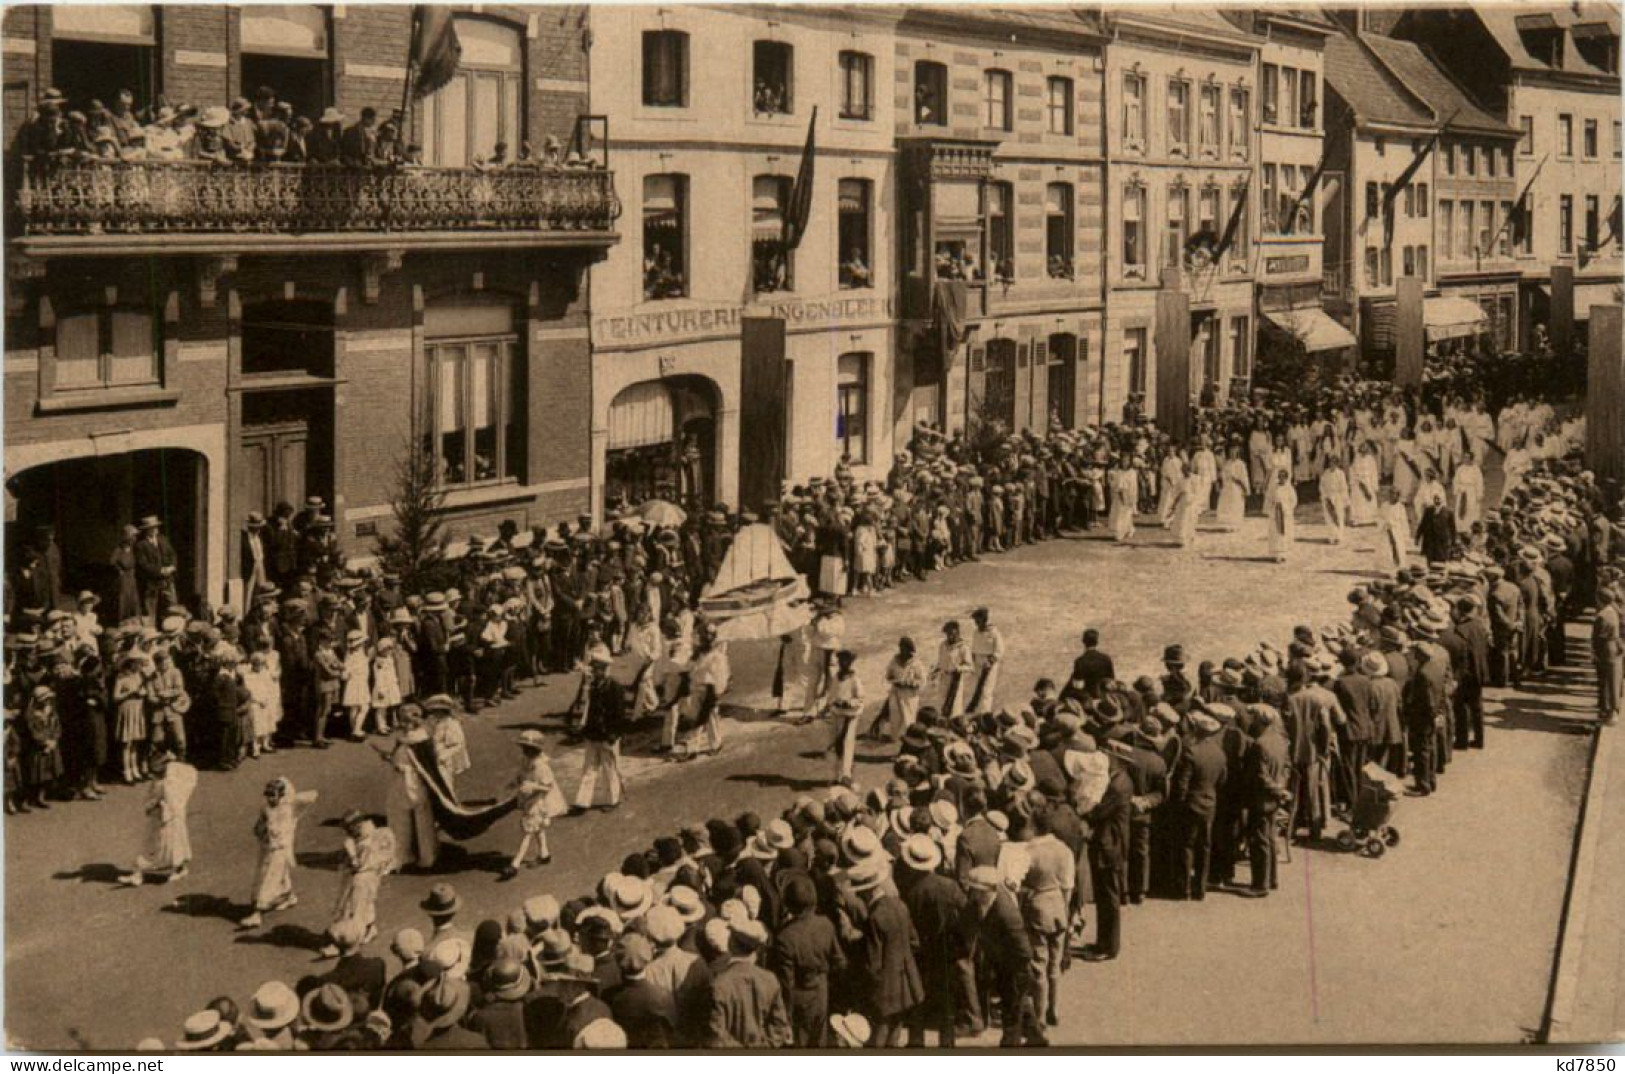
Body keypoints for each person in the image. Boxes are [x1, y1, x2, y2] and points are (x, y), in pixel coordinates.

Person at [961, 865, 1045, 1047]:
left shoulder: (1005, 913)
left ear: (984, 891)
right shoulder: (986, 902)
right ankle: (1038, 1039)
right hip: (1004, 966)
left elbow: (1024, 952)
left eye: (974, 889)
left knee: (1011, 1015)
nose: (971, 893)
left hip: (1015, 970)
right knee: (1019, 1004)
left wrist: (1012, 974)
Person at [240, 777, 318, 928]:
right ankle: (287, 896)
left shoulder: (287, 809)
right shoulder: (265, 807)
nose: (269, 798)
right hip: (267, 847)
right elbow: (261, 821)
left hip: (279, 850)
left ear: (281, 796)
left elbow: (309, 797)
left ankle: (257, 913)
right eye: (267, 794)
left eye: (273, 795)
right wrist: (258, 829)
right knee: (277, 875)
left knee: (268, 878)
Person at [323, 810, 397, 956]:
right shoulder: (376, 834)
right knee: (365, 904)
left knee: (352, 908)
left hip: (361, 878)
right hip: (369, 877)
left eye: (348, 828)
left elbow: (357, 864)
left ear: (356, 826)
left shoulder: (364, 843)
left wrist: (350, 851)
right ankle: (369, 928)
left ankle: (347, 940)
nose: (346, 831)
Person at [118, 750, 197, 886]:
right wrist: (150, 806)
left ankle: (179, 868)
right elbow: (151, 797)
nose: (155, 772)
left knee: (172, 846)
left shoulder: (171, 781)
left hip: (169, 820)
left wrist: (162, 806)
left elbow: (176, 801)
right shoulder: (158, 782)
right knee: (148, 846)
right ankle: (137, 874)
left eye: (157, 769)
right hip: (157, 818)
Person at [503, 730, 565, 880]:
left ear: (537, 749)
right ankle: (544, 854)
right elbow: (520, 775)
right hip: (528, 800)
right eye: (524, 747)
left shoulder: (542, 766)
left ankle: (515, 863)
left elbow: (548, 786)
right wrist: (513, 783)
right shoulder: (525, 760)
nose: (525, 750)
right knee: (538, 829)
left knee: (527, 832)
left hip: (537, 802)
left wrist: (533, 786)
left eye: (529, 748)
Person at [571, 650, 627, 813]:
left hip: (608, 735)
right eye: (594, 668)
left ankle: (613, 799)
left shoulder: (615, 687)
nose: (595, 672)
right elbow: (590, 710)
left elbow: (619, 714)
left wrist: (614, 735)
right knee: (588, 768)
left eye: (598, 669)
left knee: (609, 768)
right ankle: (582, 802)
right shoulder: (594, 686)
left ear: (605, 669)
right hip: (593, 734)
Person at [822, 649, 865, 786]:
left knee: (847, 744)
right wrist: (829, 705)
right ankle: (833, 776)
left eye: (846, 661)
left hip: (850, 716)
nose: (843, 664)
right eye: (841, 661)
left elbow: (860, 699)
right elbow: (832, 695)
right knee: (833, 745)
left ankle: (846, 775)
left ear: (850, 663)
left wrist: (848, 703)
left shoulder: (855, 680)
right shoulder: (836, 677)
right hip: (836, 714)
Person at [870, 636, 925, 741]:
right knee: (895, 717)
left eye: (905, 648)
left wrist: (910, 683)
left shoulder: (916, 663)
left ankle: (908, 740)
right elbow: (887, 676)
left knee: (908, 718)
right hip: (896, 694)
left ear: (910, 650)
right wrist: (893, 681)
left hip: (909, 696)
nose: (902, 650)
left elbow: (922, 681)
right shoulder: (894, 661)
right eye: (901, 647)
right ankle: (895, 739)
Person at [932, 619, 973, 719]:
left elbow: (970, 666)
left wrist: (959, 668)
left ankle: (955, 725)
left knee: (954, 706)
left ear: (957, 633)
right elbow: (941, 661)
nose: (950, 636)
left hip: (955, 680)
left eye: (952, 634)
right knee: (942, 703)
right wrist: (936, 670)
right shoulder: (943, 645)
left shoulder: (963, 647)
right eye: (948, 634)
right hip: (944, 678)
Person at [967, 607, 1003, 712]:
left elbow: (999, 650)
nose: (976, 623)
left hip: (989, 664)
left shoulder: (994, 633)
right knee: (977, 689)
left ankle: (985, 713)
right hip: (978, 663)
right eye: (975, 621)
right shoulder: (976, 632)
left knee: (986, 690)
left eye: (978, 620)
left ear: (984, 619)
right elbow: (973, 648)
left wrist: (990, 661)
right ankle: (977, 712)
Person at [1267, 469, 1297, 563]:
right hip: (1276, 512)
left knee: (1286, 532)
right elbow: (1269, 499)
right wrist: (1273, 508)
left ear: (1286, 478)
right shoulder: (1274, 488)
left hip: (1285, 513)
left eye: (1284, 477)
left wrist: (1287, 508)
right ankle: (1277, 554)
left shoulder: (1289, 488)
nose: (1282, 478)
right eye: (1280, 476)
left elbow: (1294, 501)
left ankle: (1285, 554)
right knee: (1276, 533)